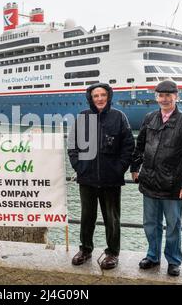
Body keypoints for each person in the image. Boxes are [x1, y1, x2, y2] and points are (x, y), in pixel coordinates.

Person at [130, 80, 182, 276]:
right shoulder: (149, 118)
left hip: (173, 184)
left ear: (176, 96)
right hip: (149, 180)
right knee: (150, 224)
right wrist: (135, 167)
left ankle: (173, 260)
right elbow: (140, 145)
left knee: (173, 225)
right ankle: (152, 256)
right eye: (161, 95)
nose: (165, 99)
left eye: (169, 95)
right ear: (156, 97)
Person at [68, 83, 135, 270]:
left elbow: (128, 146)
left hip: (110, 179)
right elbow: (72, 145)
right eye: (96, 95)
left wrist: (119, 168)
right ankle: (85, 249)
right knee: (87, 216)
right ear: (90, 98)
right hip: (87, 178)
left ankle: (112, 253)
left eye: (103, 95)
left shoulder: (119, 117)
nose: (99, 99)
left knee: (112, 218)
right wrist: (79, 167)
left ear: (109, 96)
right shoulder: (83, 117)